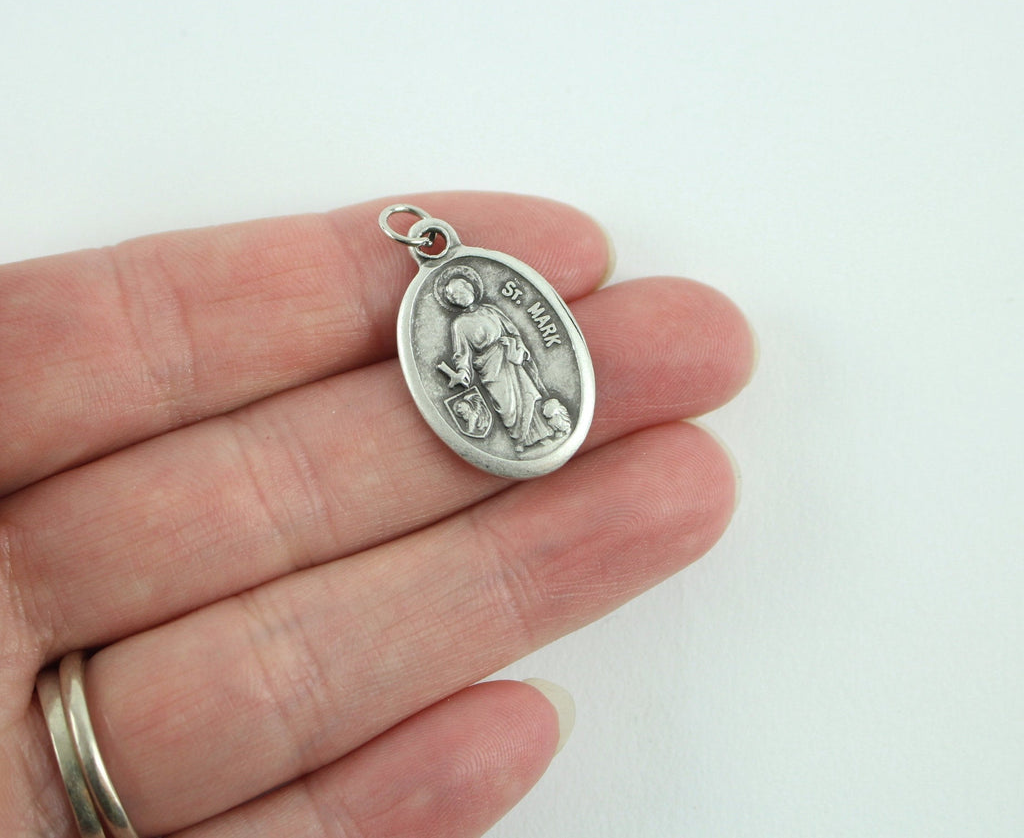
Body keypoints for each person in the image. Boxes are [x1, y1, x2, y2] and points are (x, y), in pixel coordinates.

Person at [0, 191, 755, 838]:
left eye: (464, 294)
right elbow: (474, 362)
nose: (463, 300)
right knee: (511, 408)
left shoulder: (482, 315)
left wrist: (504, 361)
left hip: (517, 374)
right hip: (497, 379)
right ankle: (529, 428)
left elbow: (520, 347)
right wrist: (480, 365)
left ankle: (534, 427)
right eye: (459, 298)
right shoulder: (457, 325)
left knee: (525, 404)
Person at [438, 266, 553, 453]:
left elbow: (513, 331)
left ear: (470, 288)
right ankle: (520, 441)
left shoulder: (490, 310)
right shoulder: (459, 324)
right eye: (454, 296)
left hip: (509, 357)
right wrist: (462, 372)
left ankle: (542, 434)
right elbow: (462, 353)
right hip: (489, 367)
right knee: (507, 407)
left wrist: (515, 345)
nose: (459, 297)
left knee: (526, 395)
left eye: (461, 290)